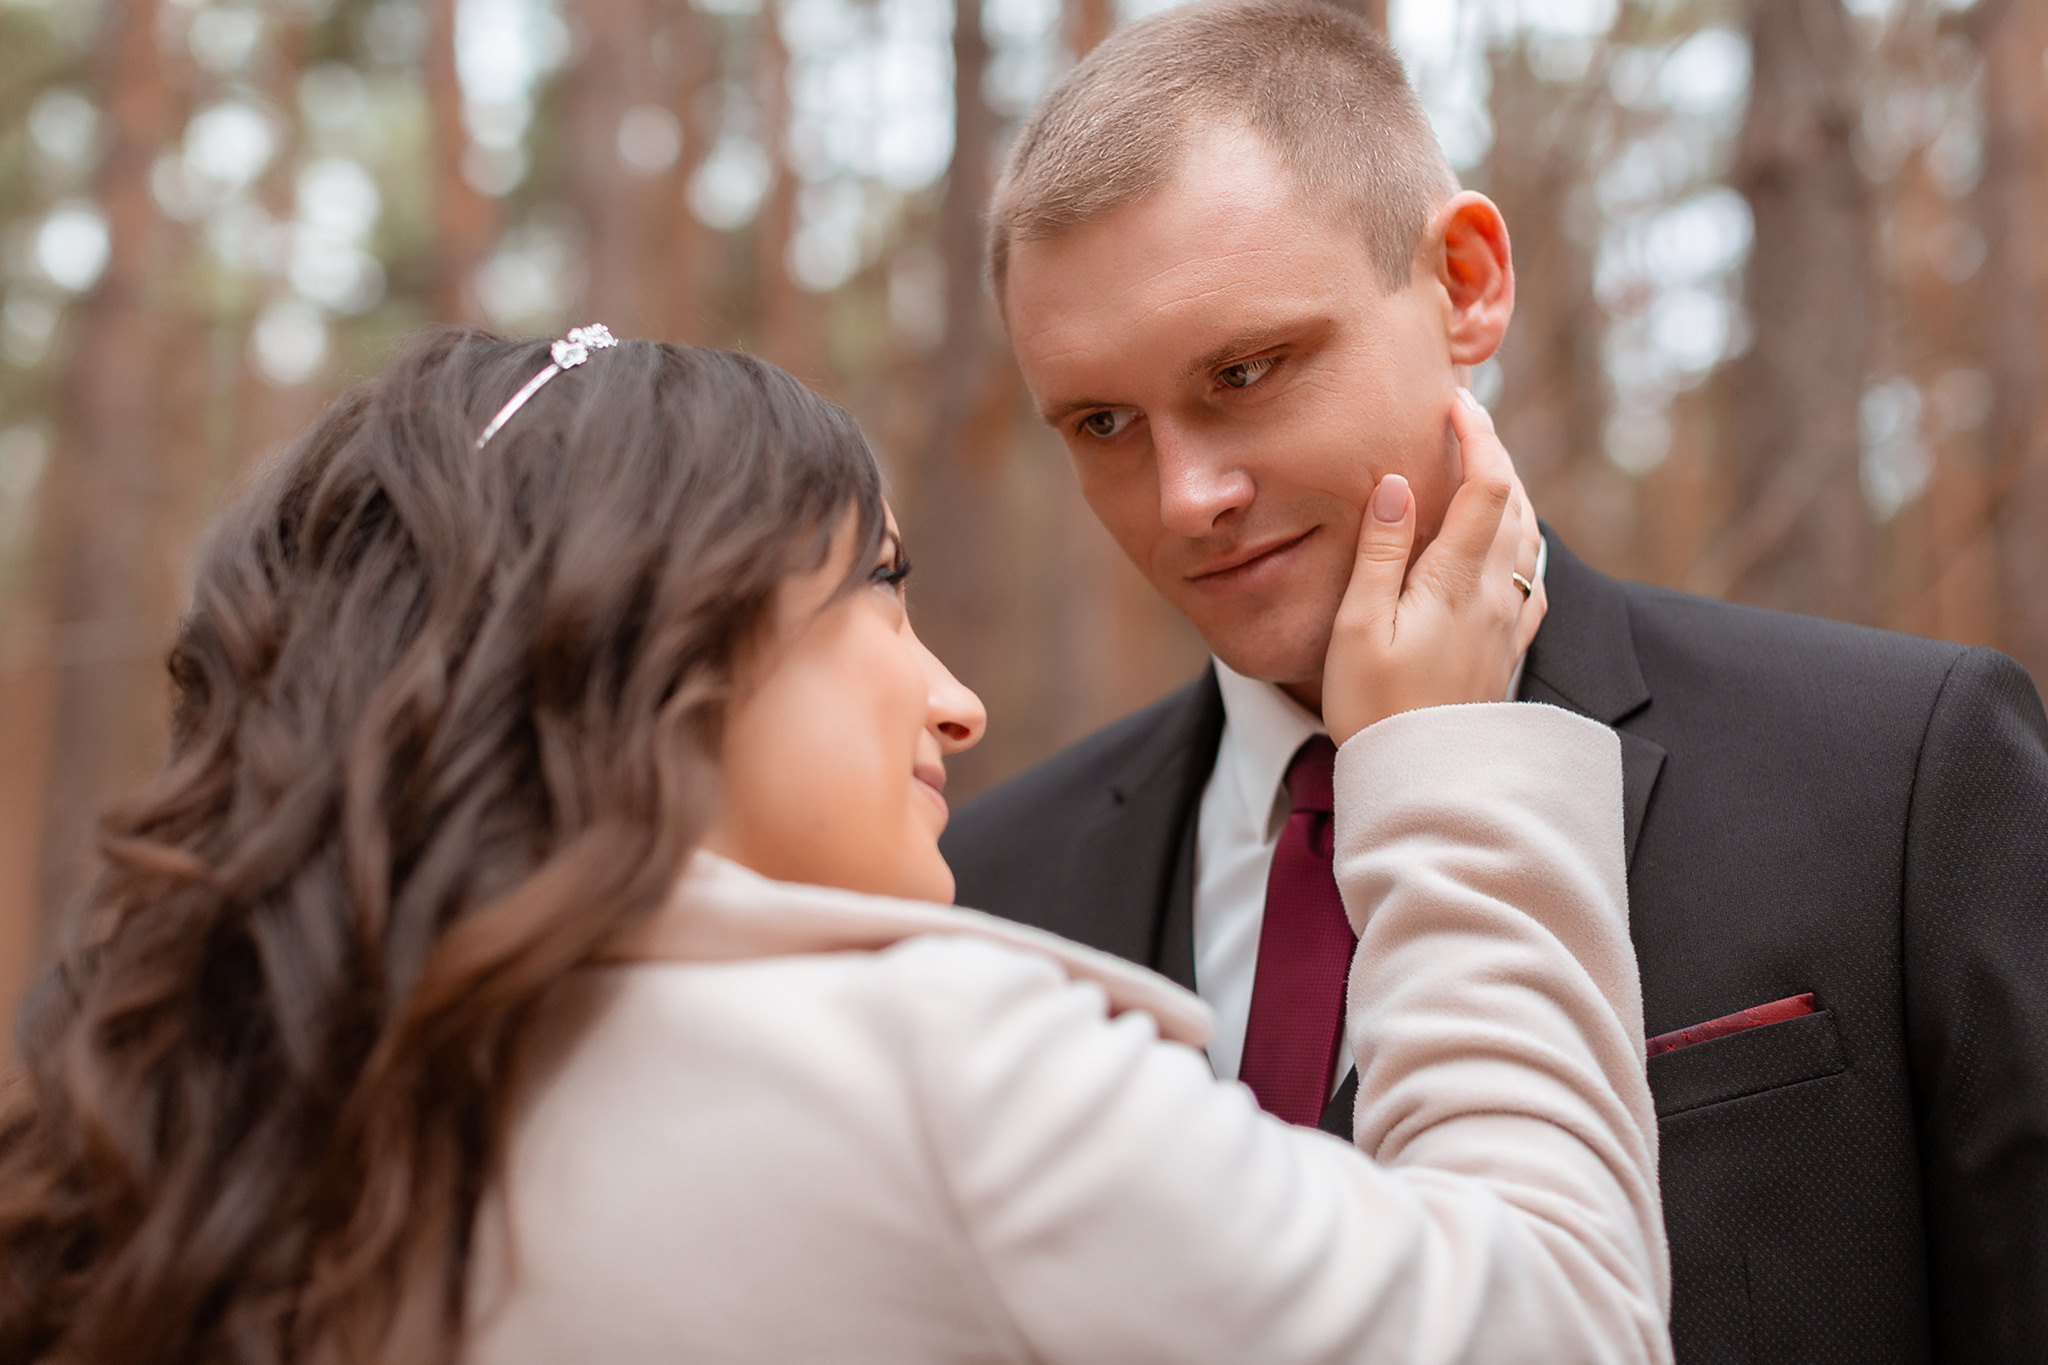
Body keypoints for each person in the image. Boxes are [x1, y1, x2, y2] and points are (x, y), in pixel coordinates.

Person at [0, 327, 1668, 1362]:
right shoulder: (934, 1079)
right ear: (654, 643)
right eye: (878, 587)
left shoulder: (177, 1124)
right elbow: (1568, 1328)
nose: (956, 704)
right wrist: (1439, 767)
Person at [940, 3, 2048, 1362]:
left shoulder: (1904, 778)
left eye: (1245, 371)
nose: (1185, 500)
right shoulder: (987, 898)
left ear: (1464, 283)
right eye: (1103, 424)